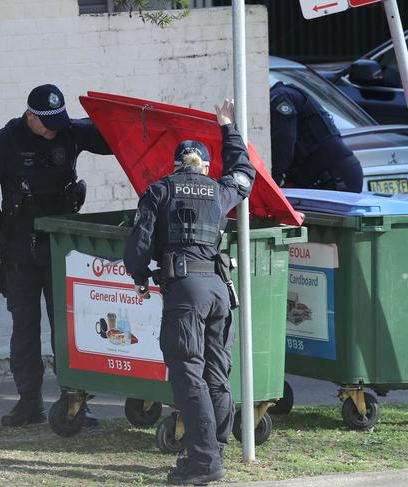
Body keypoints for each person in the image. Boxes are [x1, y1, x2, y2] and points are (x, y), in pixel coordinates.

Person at [123, 99, 255, 485]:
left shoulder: (159, 190)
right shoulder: (218, 192)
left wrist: (139, 275)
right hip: (218, 290)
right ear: (206, 165)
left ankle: (203, 462)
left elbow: (138, 246)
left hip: (185, 293)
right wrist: (227, 127)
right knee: (216, 374)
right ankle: (216, 447)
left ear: (177, 163)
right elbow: (244, 173)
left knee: (188, 374)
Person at [0, 84, 112, 427]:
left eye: (58, 122)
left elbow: (111, 142)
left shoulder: (68, 131)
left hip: (62, 247)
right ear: (29, 116)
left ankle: (75, 400)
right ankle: (29, 402)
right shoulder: (2, 144)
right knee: (25, 326)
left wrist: (121, 122)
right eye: (46, 123)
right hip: (19, 248)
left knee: (68, 326)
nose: (53, 130)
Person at [269, 81, 363, 192]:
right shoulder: (286, 94)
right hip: (330, 176)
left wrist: (273, 181)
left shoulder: (279, 97)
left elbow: (283, 142)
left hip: (332, 178)